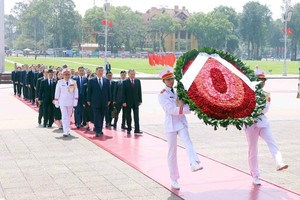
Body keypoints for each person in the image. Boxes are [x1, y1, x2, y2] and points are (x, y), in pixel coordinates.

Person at [158, 68, 203, 190]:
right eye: (168, 79)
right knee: (172, 152)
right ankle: (174, 178)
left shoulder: (178, 91)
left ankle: (194, 163)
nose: (171, 81)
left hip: (181, 122)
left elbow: (183, 103)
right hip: (171, 124)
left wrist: (193, 105)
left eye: (172, 78)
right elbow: (171, 110)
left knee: (188, 141)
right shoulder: (162, 95)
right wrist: (188, 110)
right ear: (164, 81)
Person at [244, 70, 288, 185]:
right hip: (250, 124)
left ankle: (279, 162)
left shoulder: (266, 94)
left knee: (271, 141)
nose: (262, 82)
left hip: (262, 122)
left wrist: (256, 109)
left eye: (263, 80)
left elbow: (265, 109)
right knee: (253, 149)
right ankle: (255, 175)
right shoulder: (248, 92)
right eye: (260, 80)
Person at [54, 68, 78, 137]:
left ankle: (67, 129)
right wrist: (56, 101)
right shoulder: (60, 82)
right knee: (64, 116)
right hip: (62, 102)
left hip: (70, 102)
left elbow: (76, 92)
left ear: (70, 75)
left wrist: (75, 101)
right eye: (65, 74)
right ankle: (65, 131)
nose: (67, 76)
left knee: (68, 116)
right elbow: (57, 92)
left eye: (68, 74)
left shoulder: (73, 82)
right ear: (63, 75)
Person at [87, 67, 111, 137]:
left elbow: (109, 91)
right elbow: (89, 91)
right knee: (96, 116)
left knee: (102, 116)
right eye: (99, 71)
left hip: (104, 102)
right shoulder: (91, 80)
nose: (100, 72)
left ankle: (100, 129)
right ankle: (97, 130)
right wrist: (88, 100)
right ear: (96, 72)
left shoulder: (106, 80)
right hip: (95, 101)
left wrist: (109, 99)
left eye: (102, 71)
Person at [122, 69, 142, 134]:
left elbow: (139, 91)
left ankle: (137, 129)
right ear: (129, 74)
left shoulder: (137, 81)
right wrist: (124, 101)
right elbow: (123, 93)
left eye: (134, 74)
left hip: (136, 102)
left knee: (136, 116)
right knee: (128, 116)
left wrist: (140, 100)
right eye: (131, 74)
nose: (133, 75)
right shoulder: (125, 82)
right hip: (128, 102)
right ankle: (129, 128)